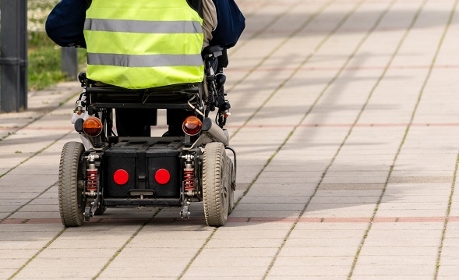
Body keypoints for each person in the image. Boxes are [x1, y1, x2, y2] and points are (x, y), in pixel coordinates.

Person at [46, 0, 244, 136]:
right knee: (204, 65)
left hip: (114, 79)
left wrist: (103, 37)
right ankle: (182, 135)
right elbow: (229, 32)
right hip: (181, 78)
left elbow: (59, 28)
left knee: (128, 85)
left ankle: (128, 140)